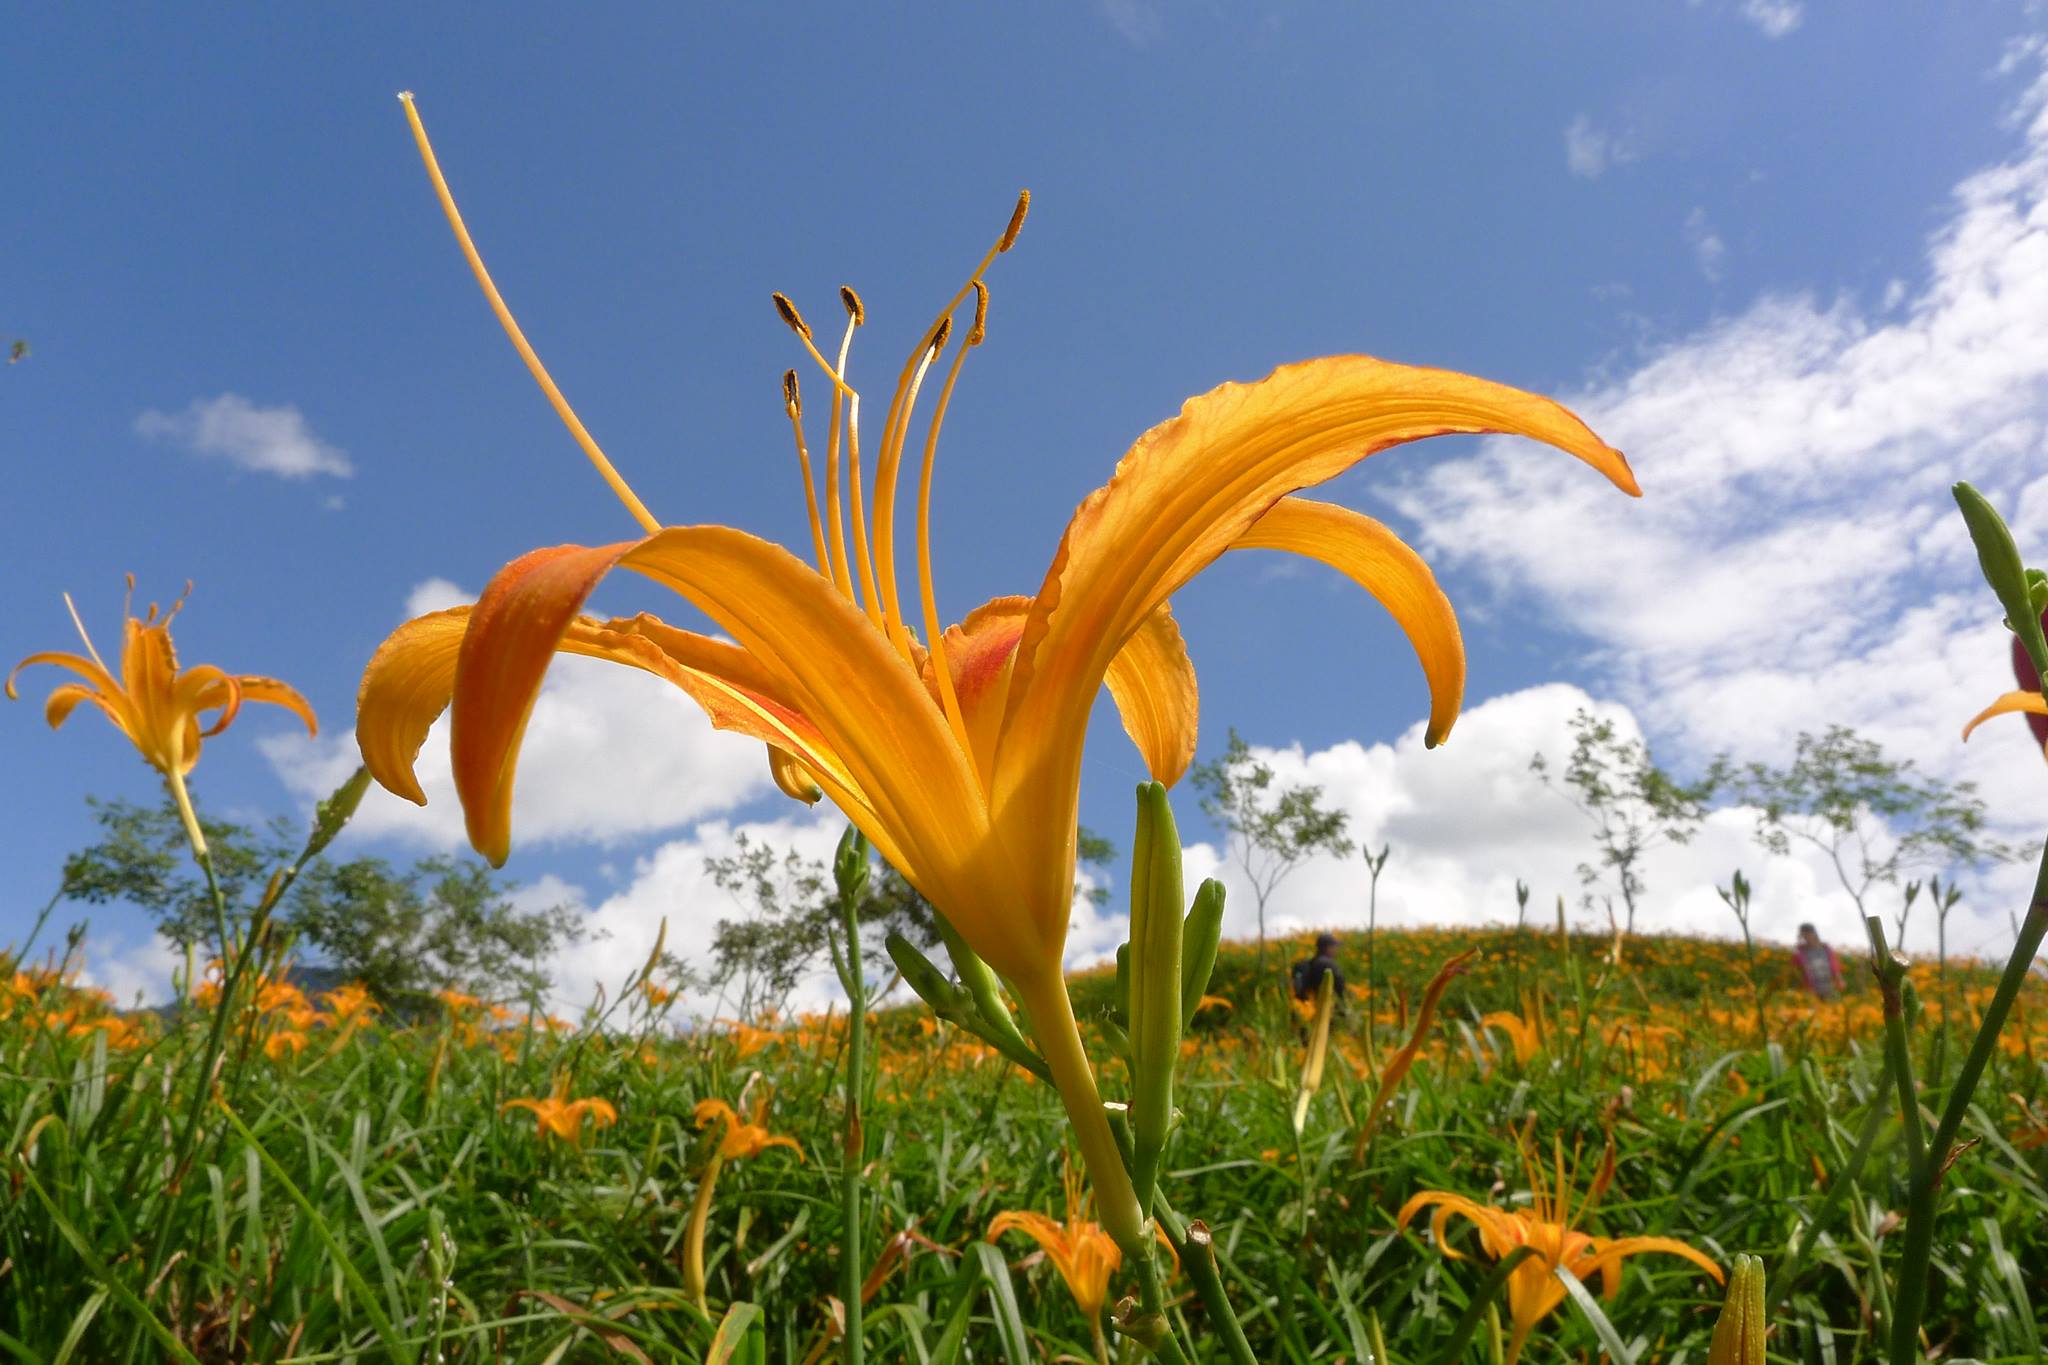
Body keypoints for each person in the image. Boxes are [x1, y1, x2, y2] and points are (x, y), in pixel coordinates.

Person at [1792, 923, 1845, 1000]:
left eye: (1808, 934)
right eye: (1804, 935)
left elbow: (1834, 966)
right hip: (1810, 990)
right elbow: (1794, 968)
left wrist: (1839, 979)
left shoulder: (1826, 949)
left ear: (1814, 934)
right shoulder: (1800, 952)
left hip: (1828, 987)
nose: (1806, 937)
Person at [1291, 933, 1347, 1004]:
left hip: (1308, 1007)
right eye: (1334, 947)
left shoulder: (1308, 963)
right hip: (1325, 1008)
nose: (1336, 950)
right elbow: (1341, 989)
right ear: (1328, 948)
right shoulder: (1329, 964)